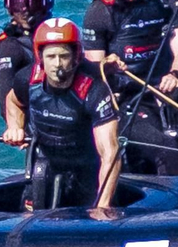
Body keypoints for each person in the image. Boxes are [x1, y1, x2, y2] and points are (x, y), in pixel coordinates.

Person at [22, 18, 121, 210]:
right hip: (45, 165)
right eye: (51, 57)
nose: (57, 64)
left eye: (64, 56)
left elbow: (110, 153)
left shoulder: (95, 90)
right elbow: (13, 100)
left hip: (86, 169)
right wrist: (15, 126)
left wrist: (103, 206)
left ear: (75, 57)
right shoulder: (27, 79)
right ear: (40, 57)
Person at [0, 0, 53, 147]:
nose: (25, 9)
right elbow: (7, 101)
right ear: (8, 6)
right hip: (41, 133)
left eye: (32, 2)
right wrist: (17, 129)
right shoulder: (8, 48)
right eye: (18, 3)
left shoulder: (57, 35)